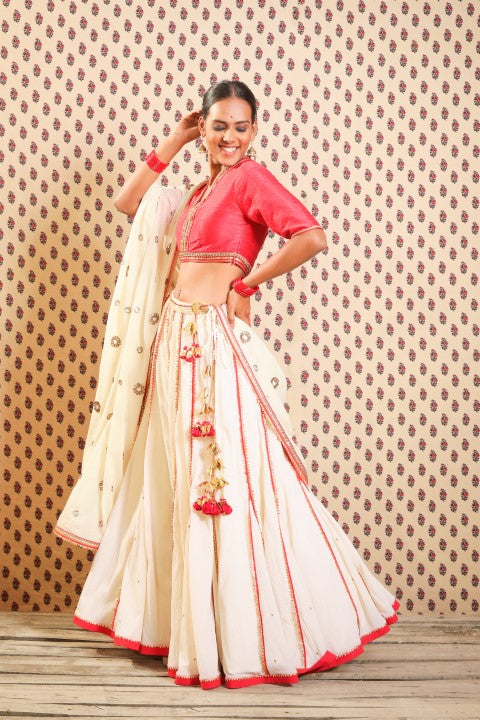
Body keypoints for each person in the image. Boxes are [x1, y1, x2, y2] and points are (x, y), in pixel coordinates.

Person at [55, 80, 399, 690]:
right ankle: (191, 630)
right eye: (218, 126)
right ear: (205, 129)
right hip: (173, 346)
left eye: (240, 126)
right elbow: (128, 205)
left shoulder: (248, 181)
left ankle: (254, 634)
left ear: (255, 131)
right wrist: (177, 138)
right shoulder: (196, 192)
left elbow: (310, 235)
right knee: (176, 479)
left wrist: (248, 284)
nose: (229, 137)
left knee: (229, 476)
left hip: (213, 346)